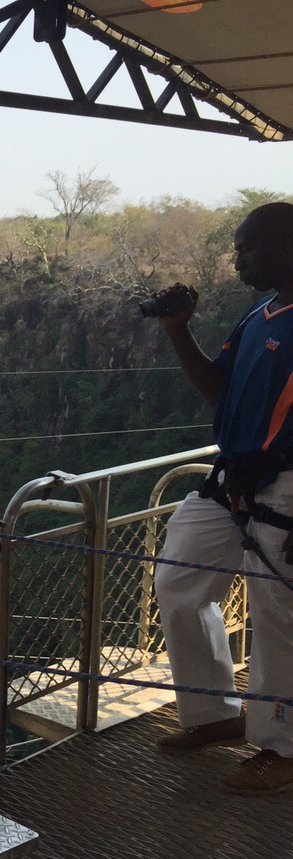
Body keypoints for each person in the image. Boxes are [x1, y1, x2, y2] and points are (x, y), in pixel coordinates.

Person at [153, 201, 293, 796]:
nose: (236, 261)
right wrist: (177, 329)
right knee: (178, 581)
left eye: (246, 248)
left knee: (275, 615)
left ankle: (281, 747)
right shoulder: (261, 314)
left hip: (285, 485)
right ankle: (213, 712)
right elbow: (219, 388)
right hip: (233, 477)